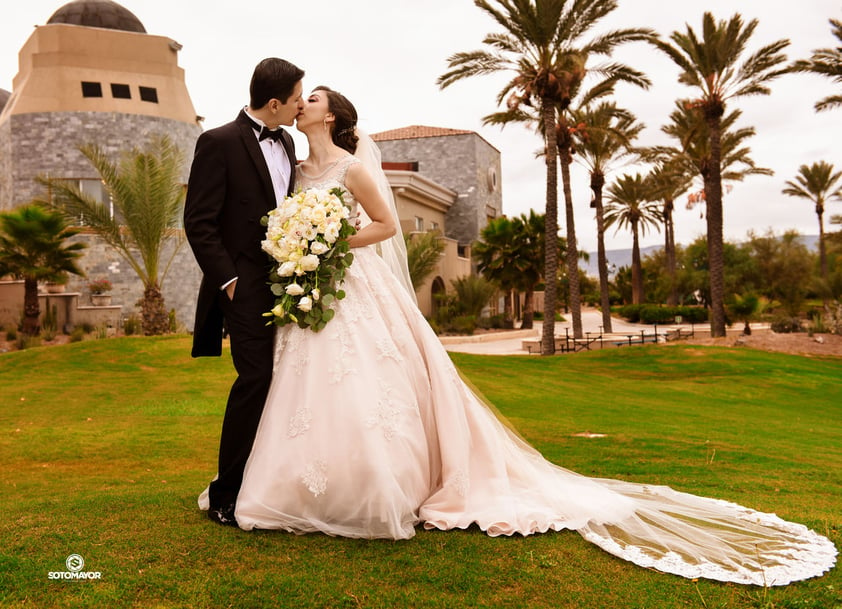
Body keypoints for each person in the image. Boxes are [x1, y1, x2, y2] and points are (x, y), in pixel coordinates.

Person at [202, 87, 836, 586]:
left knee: (370, 383)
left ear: (334, 116)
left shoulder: (349, 167)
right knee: (302, 384)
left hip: (353, 285)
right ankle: (286, 485)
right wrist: (299, 249)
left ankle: (375, 488)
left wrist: (329, 241)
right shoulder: (290, 168)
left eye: (315, 98)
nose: (305, 102)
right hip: (314, 294)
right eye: (303, 97)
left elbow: (387, 225)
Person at [184, 58, 304, 527]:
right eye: (296, 99)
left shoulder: (289, 140)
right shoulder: (216, 142)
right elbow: (198, 221)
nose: (299, 106)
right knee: (254, 380)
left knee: (282, 382)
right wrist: (229, 282)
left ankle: (266, 481)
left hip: (288, 285)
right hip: (243, 288)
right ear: (274, 103)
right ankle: (225, 495)